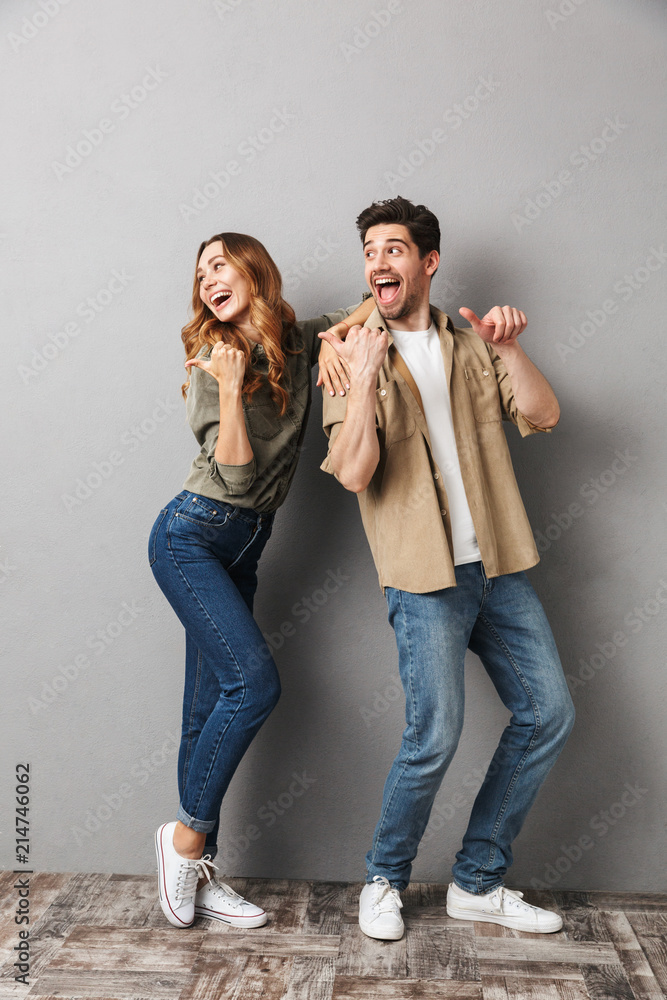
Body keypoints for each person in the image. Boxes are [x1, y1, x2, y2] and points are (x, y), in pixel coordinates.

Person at [319, 197, 575, 940]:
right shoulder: (347, 350)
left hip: (498, 566)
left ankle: (476, 881)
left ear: (427, 263)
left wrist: (509, 348)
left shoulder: (466, 344)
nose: (377, 261)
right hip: (421, 577)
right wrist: (363, 375)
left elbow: (543, 413)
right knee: (433, 736)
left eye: (393, 249)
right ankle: (382, 879)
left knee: (548, 713)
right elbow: (355, 473)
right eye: (369, 249)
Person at [149, 231, 373, 930]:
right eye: (201, 272)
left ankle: (199, 863)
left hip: (244, 548)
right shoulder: (209, 361)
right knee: (254, 684)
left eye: (220, 263)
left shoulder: (297, 340)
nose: (209, 277)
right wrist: (224, 387)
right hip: (191, 536)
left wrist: (336, 339)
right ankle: (184, 841)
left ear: (254, 272)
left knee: (203, 708)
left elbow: (372, 306)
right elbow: (239, 475)